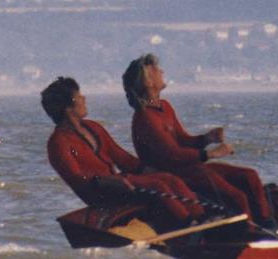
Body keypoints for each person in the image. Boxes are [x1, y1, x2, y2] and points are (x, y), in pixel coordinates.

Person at [122, 54, 273, 228]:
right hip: (177, 175)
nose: (162, 71)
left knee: (250, 176)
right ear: (148, 83)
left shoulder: (164, 106)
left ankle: (268, 224)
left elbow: (183, 140)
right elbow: (174, 155)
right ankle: (249, 232)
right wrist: (211, 153)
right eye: (156, 70)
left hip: (191, 168)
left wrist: (206, 138)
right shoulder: (145, 117)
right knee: (237, 196)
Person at [41, 75, 205, 228]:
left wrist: (151, 169)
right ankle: (189, 224)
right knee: (157, 185)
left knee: (169, 178)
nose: (84, 99)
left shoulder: (93, 127)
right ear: (68, 108)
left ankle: (202, 218)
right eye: (79, 96)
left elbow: (122, 158)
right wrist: (106, 181)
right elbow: (77, 177)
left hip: (121, 182)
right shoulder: (58, 143)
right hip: (102, 195)